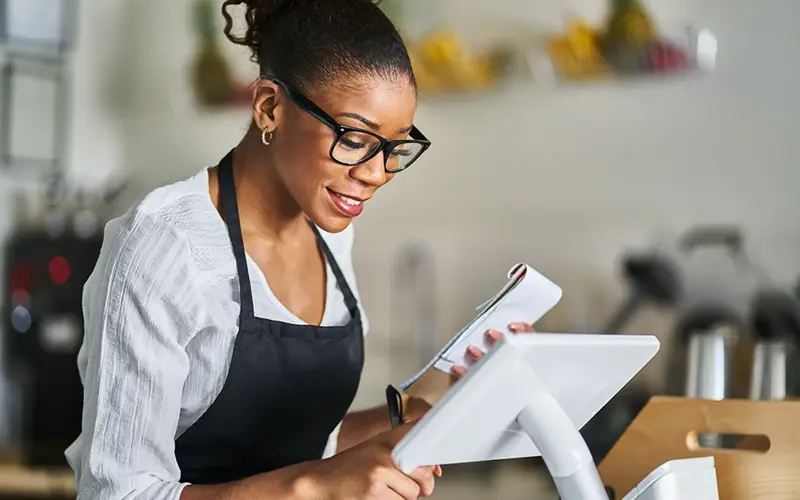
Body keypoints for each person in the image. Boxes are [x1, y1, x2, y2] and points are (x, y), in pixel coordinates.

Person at [65, 1, 535, 499]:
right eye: (355, 139)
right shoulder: (164, 247)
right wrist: (314, 489)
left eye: (396, 147)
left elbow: (300, 443)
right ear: (270, 106)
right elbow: (115, 494)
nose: (376, 174)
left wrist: (443, 402)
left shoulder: (330, 230)